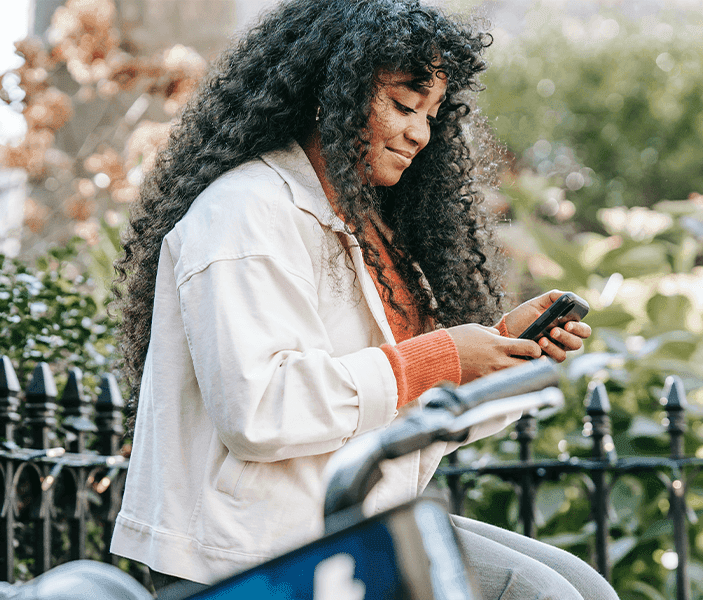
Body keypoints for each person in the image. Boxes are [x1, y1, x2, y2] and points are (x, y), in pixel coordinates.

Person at [111, 1, 618, 599]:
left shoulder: (367, 226)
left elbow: (391, 402)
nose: (420, 134)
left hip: (343, 519)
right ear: (332, 91)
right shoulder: (243, 211)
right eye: (403, 106)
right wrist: (440, 359)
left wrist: (504, 351)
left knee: (582, 584)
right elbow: (261, 410)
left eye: (431, 114)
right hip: (251, 553)